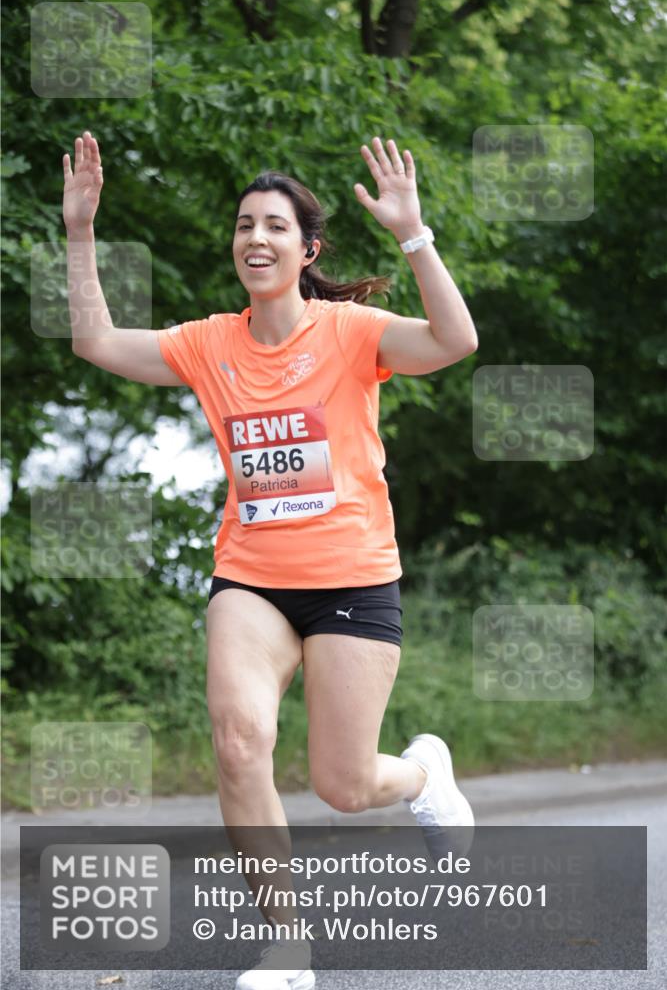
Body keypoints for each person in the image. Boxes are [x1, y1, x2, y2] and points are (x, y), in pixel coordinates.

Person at [63, 130, 478, 990]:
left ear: (307, 250)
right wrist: (80, 231)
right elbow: (96, 343)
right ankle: (287, 947)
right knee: (239, 741)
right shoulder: (209, 344)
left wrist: (412, 232)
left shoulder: (351, 333)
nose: (255, 237)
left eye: (275, 226)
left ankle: (420, 773)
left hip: (352, 578)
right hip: (251, 578)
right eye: (244, 224)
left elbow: (453, 340)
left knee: (344, 786)